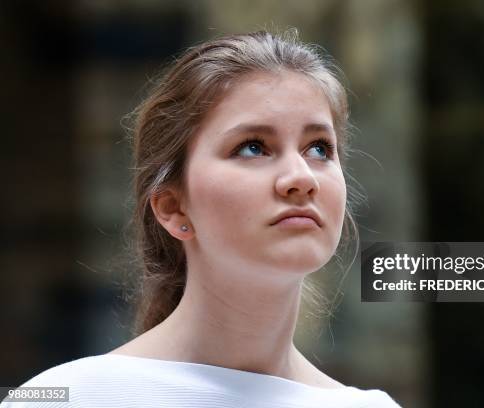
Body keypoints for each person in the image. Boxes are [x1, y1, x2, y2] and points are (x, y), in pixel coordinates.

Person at [1, 30, 401, 407]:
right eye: (252, 147)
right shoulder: (72, 397)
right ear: (173, 207)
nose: (301, 177)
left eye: (318, 148)